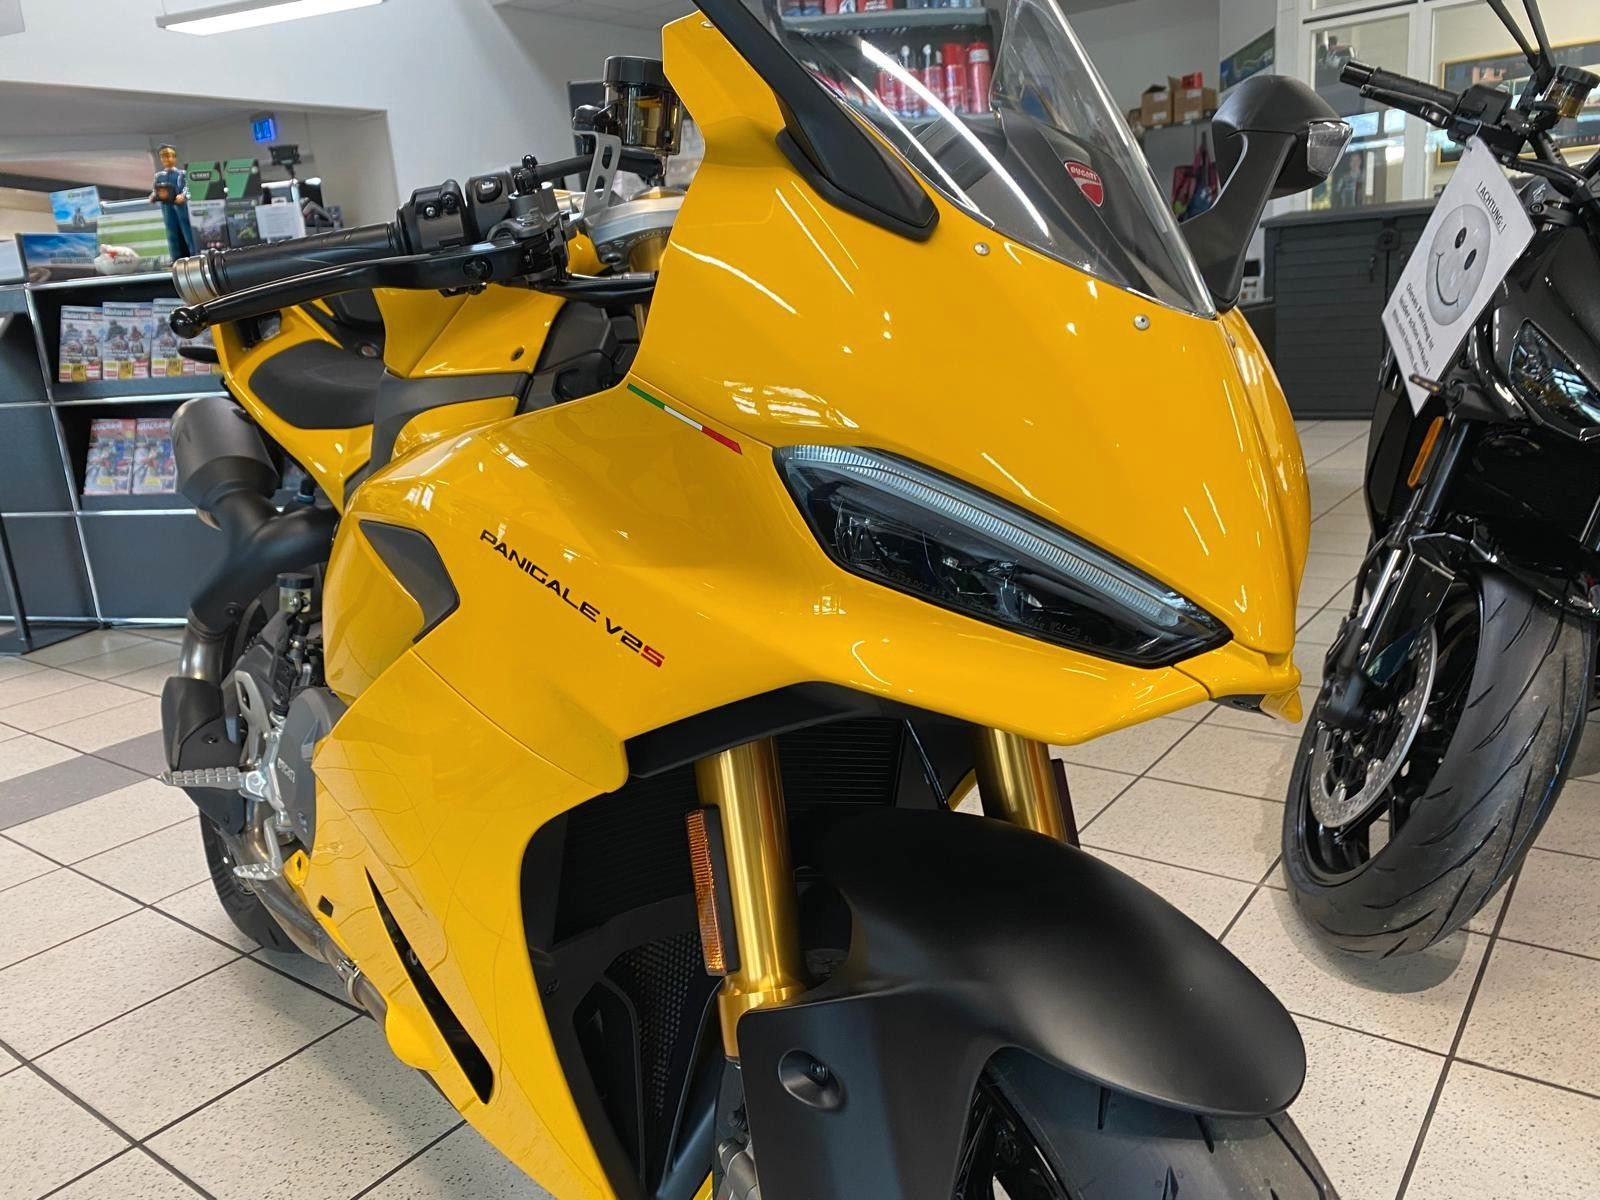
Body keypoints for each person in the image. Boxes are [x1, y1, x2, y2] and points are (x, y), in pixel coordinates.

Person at [150, 144, 197, 259]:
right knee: (171, 232)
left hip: (180, 207)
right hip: (167, 207)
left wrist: (183, 196)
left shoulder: (181, 174)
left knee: (186, 231)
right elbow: (156, 190)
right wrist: (153, 196)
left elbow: (187, 187)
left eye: (170, 156)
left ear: (175, 157)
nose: (167, 159)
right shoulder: (159, 176)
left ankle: (193, 254)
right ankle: (175, 257)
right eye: (164, 157)